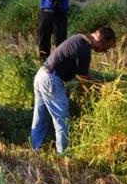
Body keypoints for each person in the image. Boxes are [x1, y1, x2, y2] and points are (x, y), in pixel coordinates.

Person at [31, 26, 115, 156]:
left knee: (40, 116)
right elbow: (83, 78)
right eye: (106, 48)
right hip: (51, 80)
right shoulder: (84, 49)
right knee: (62, 119)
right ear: (100, 40)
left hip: (41, 75)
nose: (104, 51)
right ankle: (62, 154)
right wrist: (103, 88)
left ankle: (34, 149)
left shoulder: (78, 38)